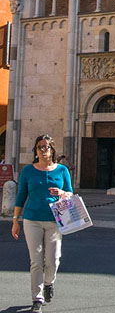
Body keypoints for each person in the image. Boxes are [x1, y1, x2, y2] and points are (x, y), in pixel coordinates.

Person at [11, 134, 73, 313]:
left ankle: (49, 283)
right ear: (35, 150)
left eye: (46, 147)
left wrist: (62, 192)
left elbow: (70, 193)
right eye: (40, 147)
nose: (43, 150)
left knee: (53, 260)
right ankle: (37, 298)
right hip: (32, 219)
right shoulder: (28, 171)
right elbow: (21, 195)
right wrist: (15, 220)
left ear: (52, 149)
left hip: (55, 220)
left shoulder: (62, 170)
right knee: (36, 260)